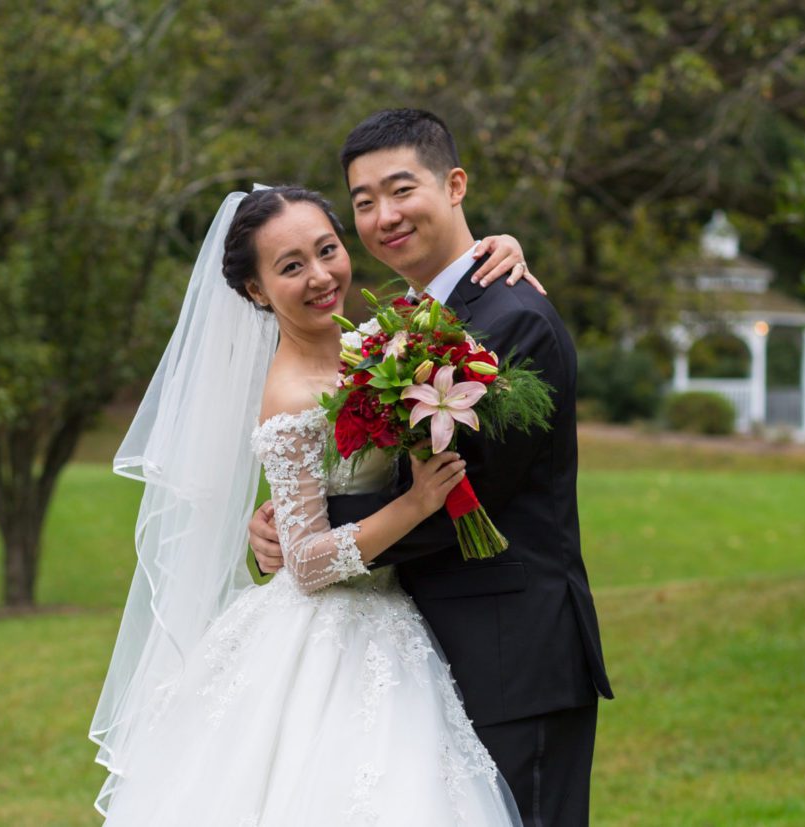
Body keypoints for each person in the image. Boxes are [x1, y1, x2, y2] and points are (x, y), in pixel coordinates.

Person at [90, 185, 536, 825]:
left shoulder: (380, 342)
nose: (321, 276)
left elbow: (449, 290)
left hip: (395, 611)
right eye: (291, 266)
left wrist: (503, 247)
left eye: (327, 250)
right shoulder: (292, 396)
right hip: (332, 636)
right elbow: (304, 563)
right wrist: (415, 504)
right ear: (256, 290)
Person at [248, 109, 614, 827]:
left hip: (514, 656)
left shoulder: (512, 319)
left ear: (454, 185)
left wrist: (304, 534)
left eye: (400, 189)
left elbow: (458, 495)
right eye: (363, 202)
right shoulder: (409, 318)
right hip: (429, 650)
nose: (384, 216)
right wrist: (290, 525)